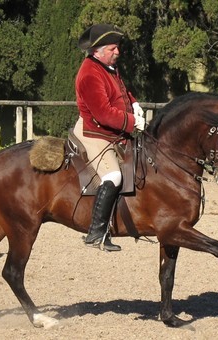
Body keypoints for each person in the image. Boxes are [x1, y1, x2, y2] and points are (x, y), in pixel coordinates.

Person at [75, 24, 146, 251]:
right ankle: (96, 233)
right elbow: (103, 114)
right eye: (113, 48)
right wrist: (134, 122)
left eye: (118, 48)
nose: (118, 52)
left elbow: (120, 90)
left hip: (112, 131)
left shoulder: (107, 67)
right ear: (97, 51)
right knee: (114, 176)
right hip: (94, 132)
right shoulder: (89, 73)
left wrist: (133, 103)